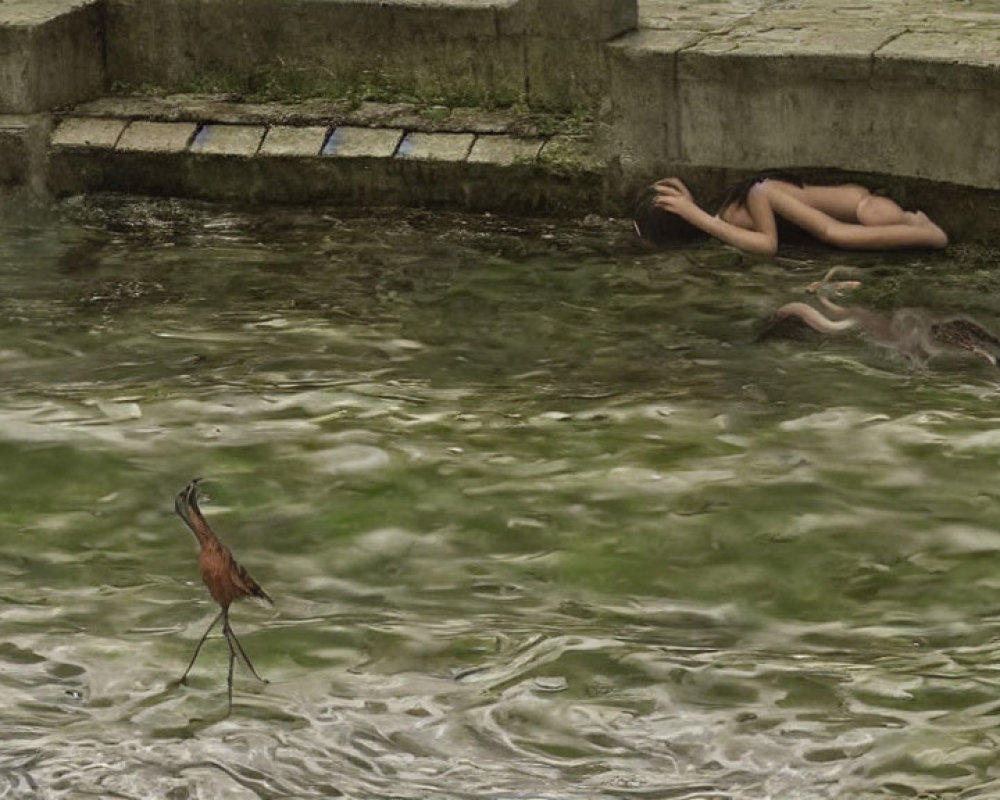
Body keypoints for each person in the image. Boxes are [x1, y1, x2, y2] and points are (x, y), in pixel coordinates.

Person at [633, 175, 948, 256]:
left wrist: (696, 216)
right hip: (868, 212)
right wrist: (693, 209)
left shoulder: (757, 195)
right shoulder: (730, 211)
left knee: (836, 235)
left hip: (872, 213)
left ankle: (928, 233)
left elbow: (766, 244)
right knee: (834, 234)